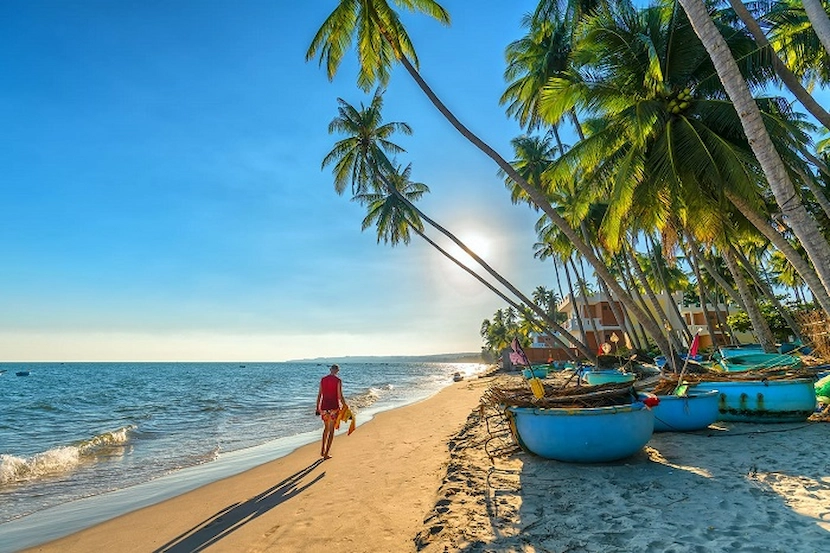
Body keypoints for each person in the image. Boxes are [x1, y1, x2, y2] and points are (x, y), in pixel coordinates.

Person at [316, 364, 348, 460]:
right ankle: (326, 454)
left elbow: (319, 394)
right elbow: (339, 395)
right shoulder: (338, 381)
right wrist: (345, 405)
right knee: (331, 430)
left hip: (324, 407)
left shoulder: (323, 379)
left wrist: (317, 407)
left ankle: (322, 450)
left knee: (326, 429)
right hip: (333, 407)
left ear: (330, 370)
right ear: (337, 371)